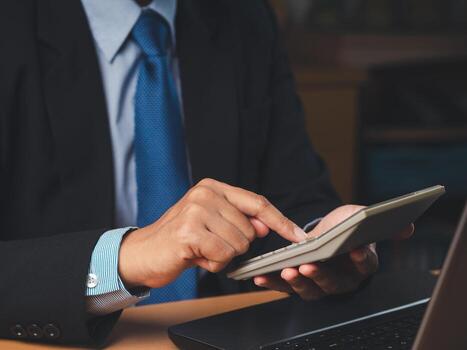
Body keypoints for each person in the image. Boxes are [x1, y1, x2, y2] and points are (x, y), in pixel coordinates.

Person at [0, 0, 413, 347]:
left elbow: (295, 195)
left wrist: (322, 239)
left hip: (218, 332)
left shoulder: (243, 17)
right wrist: (127, 257)